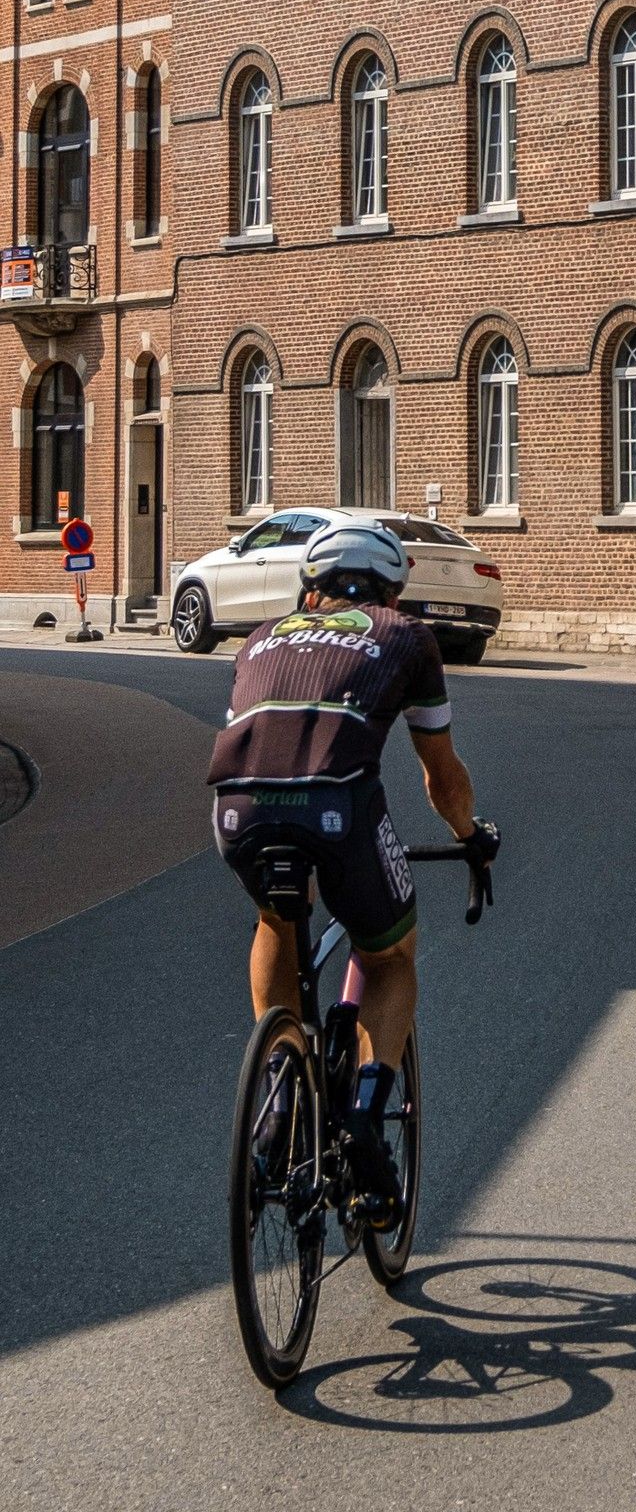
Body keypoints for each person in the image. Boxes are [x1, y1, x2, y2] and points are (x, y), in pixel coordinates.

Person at [208, 518, 498, 1219]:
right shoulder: (403, 636)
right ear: (391, 592)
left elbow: (260, 744)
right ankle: (366, 1113)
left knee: (278, 914)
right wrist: (471, 835)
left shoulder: (259, 639)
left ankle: (278, 1089)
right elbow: (441, 776)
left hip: (234, 808)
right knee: (392, 953)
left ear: (311, 591)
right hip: (338, 811)